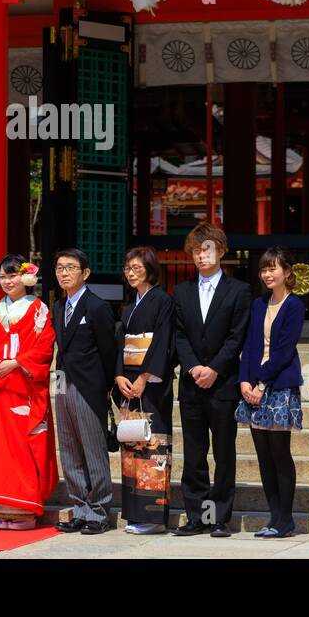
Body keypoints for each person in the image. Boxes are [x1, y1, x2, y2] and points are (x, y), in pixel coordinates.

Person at [0, 255, 58, 530]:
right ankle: (1, 512)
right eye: (3, 277)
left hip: (23, 387)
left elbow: (45, 346)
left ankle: (25, 512)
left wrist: (17, 362)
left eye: (13, 275)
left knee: (23, 449)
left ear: (26, 278)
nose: (8, 282)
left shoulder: (39, 309)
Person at [171, 222, 250, 538]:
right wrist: (193, 367)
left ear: (221, 251)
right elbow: (179, 335)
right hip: (191, 384)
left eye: (206, 249)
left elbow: (237, 336)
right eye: (195, 250)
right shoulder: (182, 291)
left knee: (223, 453)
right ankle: (196, 516)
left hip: (223, 383)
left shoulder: (239, 290)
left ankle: (219, 517)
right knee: (193, 454)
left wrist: (215, 368)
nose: (201, 256)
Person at [237, 246, 305, 539]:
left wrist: (261, 383)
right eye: (264, 269)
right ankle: (272, 516)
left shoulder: (294, 306)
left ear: (287, 272)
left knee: (279, 454)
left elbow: (283, 351)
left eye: (273, 268)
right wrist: (244, 382)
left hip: (277, 387)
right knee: (263, 456)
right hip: (253, 386)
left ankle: (285, 520)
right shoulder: (258, 304)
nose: (267, 274)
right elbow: (250, 345)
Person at [51, 248, 118, 535]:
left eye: (70, 267)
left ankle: (99, 511)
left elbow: (108, 351)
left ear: (85, 273)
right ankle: (80, 508)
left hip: (89, 387)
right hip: (62, 383)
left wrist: (105, 389)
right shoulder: (57, 307)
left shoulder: (97, 306)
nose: (64, 273)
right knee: (69, 450)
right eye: (59, 267)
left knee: (93, 449)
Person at [114, 246, 176, 535]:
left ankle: (153, 517)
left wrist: (143, 376)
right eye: (128, 268)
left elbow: (163, 341)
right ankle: (135, 514)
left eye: (137, 268)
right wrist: (119, 376)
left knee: (153, 446)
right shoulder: (129, 308)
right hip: (129, 384)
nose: (131, 273)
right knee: (131, 447)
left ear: (150, 270)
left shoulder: (163, 301)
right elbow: (120, 344)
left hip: (151, 384)